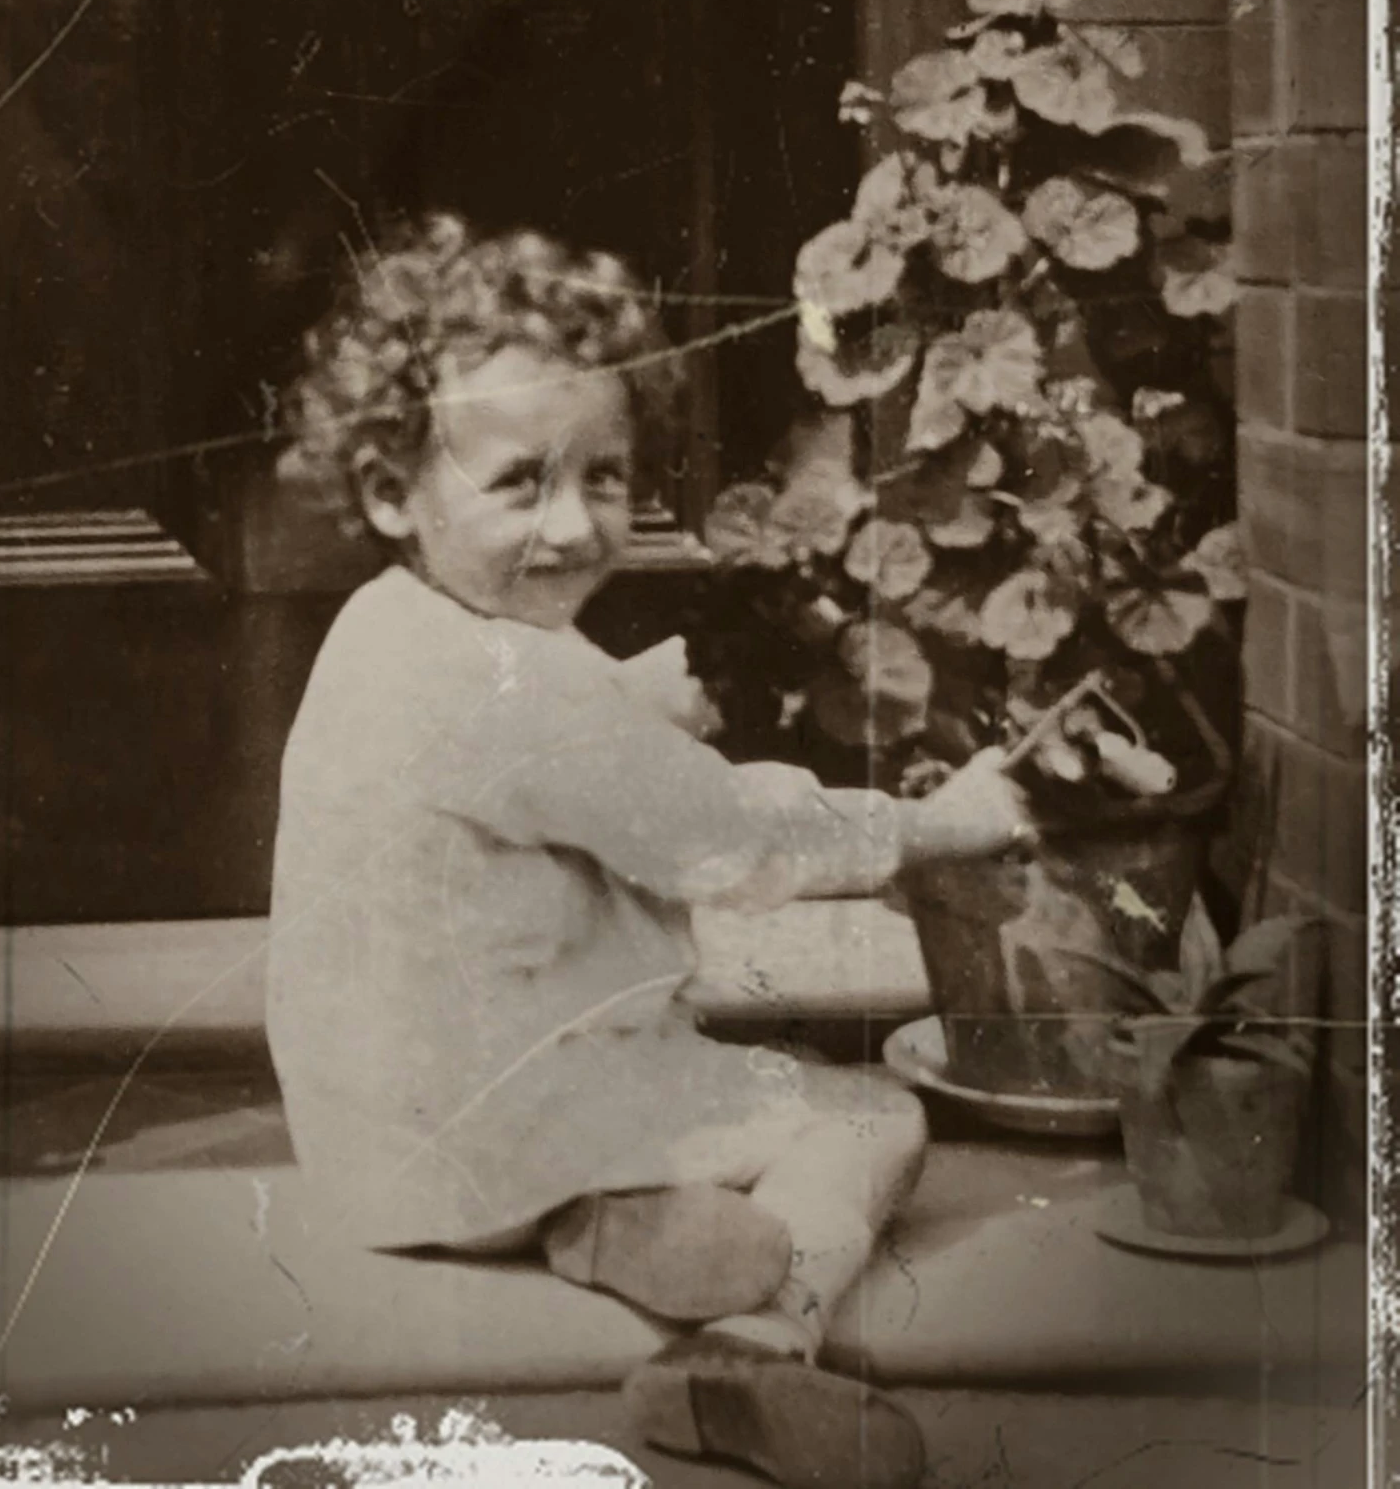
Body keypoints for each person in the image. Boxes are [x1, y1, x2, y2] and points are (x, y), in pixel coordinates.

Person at [267, 215, 1036, 1489]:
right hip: (509, 1117)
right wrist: (937, 828)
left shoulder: (381, 630)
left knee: (687, 1075)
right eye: (522, 482)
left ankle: (605, 1221)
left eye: (606, 477)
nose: (573, 527)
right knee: (868, 1115)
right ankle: (746, 1349)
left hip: (372, 1148)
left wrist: (620, 710)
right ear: (389, 489)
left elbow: (505, 766)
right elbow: (724, 840)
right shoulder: (526, 690)